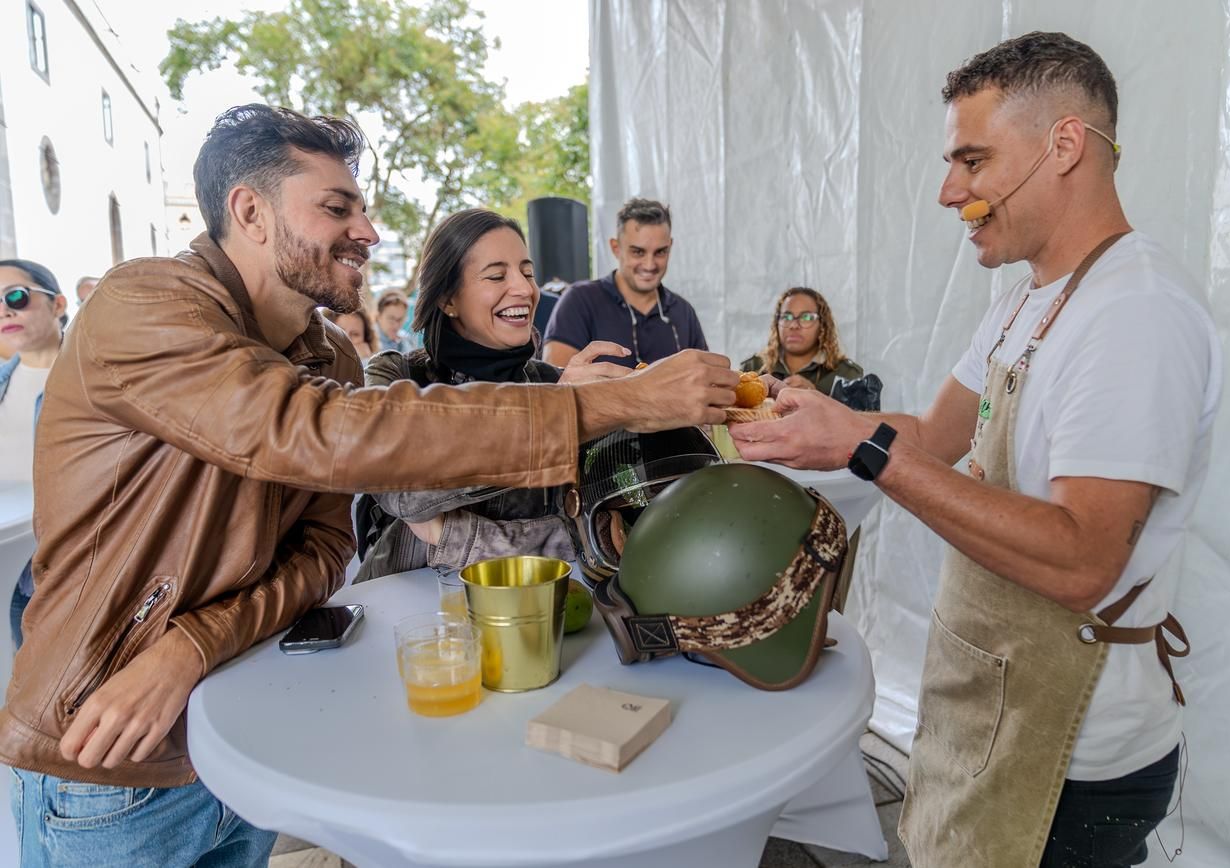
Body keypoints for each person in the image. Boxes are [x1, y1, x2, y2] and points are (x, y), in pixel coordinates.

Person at [0, 104, 737, 868]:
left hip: (238, 728)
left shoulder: (327, 356)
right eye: (336, 208)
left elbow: (324, 550)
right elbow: (312, 432)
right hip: (110, 757)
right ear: (248, 212)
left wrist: (192, 645)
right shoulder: (145, 303)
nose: (369, 232)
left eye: (364, 208)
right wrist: (613, 402)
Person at [730, 32, 1221, 868]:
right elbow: (929, 437)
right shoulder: (1024, 302)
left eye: (972, 159)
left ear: (1063, 145)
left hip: (1071, 760)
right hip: (989, 710)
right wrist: (823, 420)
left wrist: (864, 451)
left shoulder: (1135, 314)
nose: (948, 190)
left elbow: (1082, 561)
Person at [356, 208, 631, 581]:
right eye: (497, 275)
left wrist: (448, 534)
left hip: (540, 614)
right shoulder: (395, 374)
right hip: (404, 618)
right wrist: (552, 415)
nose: (524, 288)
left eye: (528, 273)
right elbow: (400, 485)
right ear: (448, 299)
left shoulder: (559, 385)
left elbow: (599, 537)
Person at [543, 198, 708, 368]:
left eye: (660, 252)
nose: (649, 265)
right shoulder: (580, 300)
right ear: (616, 248)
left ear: (670, 247)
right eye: (638, 252)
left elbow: (706, 381)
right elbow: (555, 386)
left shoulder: (683, 311)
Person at [0, 259, 66, 650]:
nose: (5, 310)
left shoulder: (93, 379)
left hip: (61, 575)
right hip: (10, 566)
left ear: (58, 304)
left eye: (17, 297)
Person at [739, 287, 863, 396]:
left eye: (806, 317)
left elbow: (857, 421)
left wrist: (817, 397)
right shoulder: (752, 368)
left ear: (822, 326)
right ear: (777, 324)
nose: (794, 325)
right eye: (786, 317)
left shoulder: (847, 374)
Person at [374, 287, 418, 352]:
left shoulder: (407, 340)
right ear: (379, 316)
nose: (396, 325)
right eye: (391, 319)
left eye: (400, 319)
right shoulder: (367, 342)